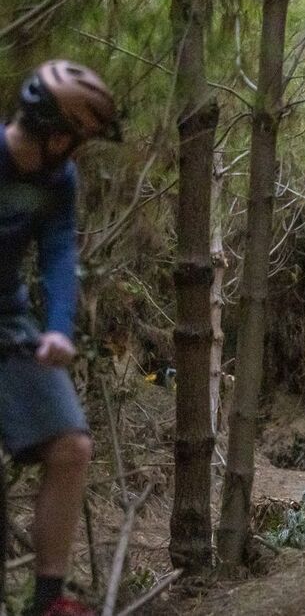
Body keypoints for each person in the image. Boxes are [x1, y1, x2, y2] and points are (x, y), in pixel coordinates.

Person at [1, 60, 121, 616]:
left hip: (9, 322)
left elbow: (57, 253)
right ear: (55, 133)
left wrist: (58, 328)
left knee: (71, 447)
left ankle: (47, 602)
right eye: (79, 140)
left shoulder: (58, 180)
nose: (79, 153)